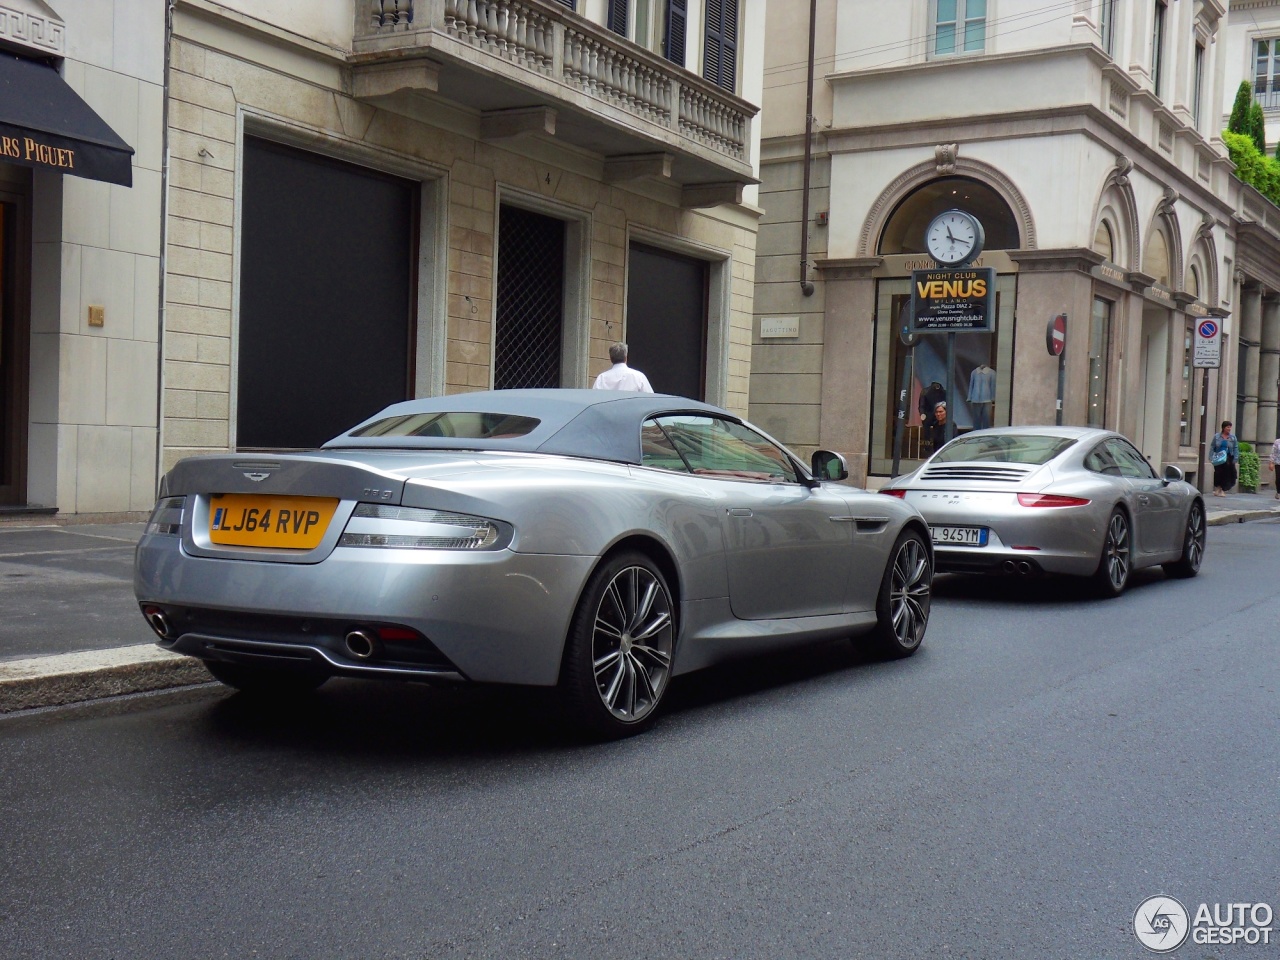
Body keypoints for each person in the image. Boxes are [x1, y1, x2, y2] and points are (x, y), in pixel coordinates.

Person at [1210, 420, 1239, 497]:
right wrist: (1211, 456)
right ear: (1223, 428)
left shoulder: (1233, 437)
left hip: (1228, 458)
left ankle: (1222, 490)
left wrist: (1235, 458)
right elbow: (1212, 446)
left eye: (1230, 427)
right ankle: (1218, 488)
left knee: (1226, 474)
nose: (1229, 429)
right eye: (1227, 427)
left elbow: (1235, 448)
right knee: (1218, 473)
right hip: (1218, 457)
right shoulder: (1217, 436)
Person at [918, 380, 946, 451]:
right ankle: (927, 447)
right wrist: (922, 414)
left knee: (940, 428)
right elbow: (922, 406)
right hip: (928, 415)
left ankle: (938, 445)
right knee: (927, 429)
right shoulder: (925, 392)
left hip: (935, 415)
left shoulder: (943, 392)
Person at [1270, 435, 1280, 500]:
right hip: (1278, 463)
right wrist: (1271, 462)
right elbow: (1274, 453)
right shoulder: (1277, 442)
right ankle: (1278, 492)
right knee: (1278, 479)